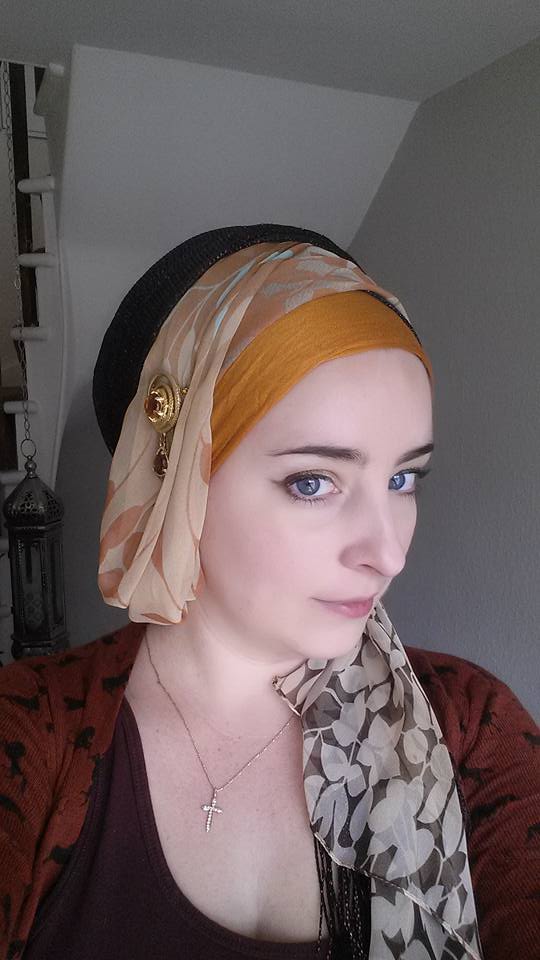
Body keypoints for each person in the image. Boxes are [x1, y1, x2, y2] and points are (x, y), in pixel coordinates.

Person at [0, 224, 538, 960]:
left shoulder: (470, 726)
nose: (388, 553)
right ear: (177, 486)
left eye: (403, 478)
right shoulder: (30, 734)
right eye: (313, 482)